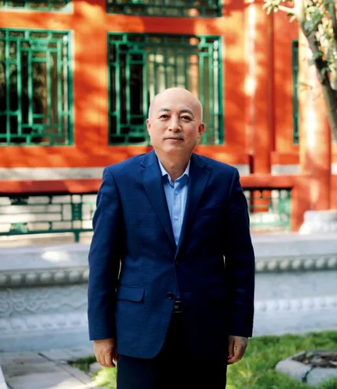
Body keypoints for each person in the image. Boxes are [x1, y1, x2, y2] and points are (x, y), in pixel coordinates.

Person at [87, 88, 255, 388]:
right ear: (150, 125)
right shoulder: (120, 179)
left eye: (185, 118)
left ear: (199, 130)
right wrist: (102, 333)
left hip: (206, 327)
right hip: (140, 328)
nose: (174, 126)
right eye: (165, 116)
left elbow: (240, 261)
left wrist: (239, 326)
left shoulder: (223, 180)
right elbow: (103, 262)